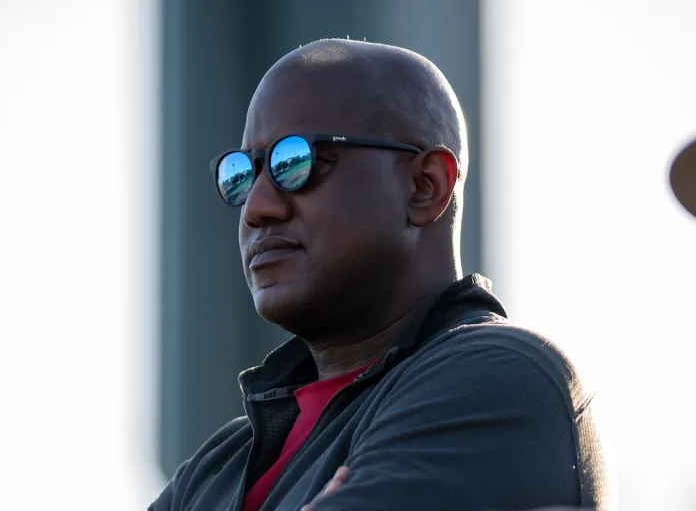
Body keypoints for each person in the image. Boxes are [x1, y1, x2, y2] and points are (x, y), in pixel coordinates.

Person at [149, 39, 608, 511]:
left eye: (297, 162)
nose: (258, 208)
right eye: (241, 175)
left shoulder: (500, 377)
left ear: (425, 186)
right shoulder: (215, 467)